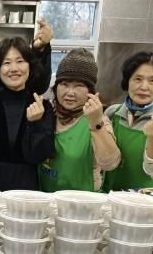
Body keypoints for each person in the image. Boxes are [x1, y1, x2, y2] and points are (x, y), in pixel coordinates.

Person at [0, 37, 55, 192]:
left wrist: (35, 123)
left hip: (28, 190)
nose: (14, 68)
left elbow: (39, 156)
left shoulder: (42, 106)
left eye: (20, 61)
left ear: (30, 66)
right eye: (6, 63)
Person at [38, 49, 121, 192]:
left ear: (90, 91)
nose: (70, 92)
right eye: (64, 84)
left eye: (79, 86)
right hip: (44, 198)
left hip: (82, 202)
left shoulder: (98, 119)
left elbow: (110, 164)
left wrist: (96, 124)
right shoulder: (46, 113)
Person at [103, 52, 153, 191]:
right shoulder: (112, 113)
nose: (144, 87)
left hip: (143, 198)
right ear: (127, 81)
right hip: (108, 195)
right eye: (138, 79)